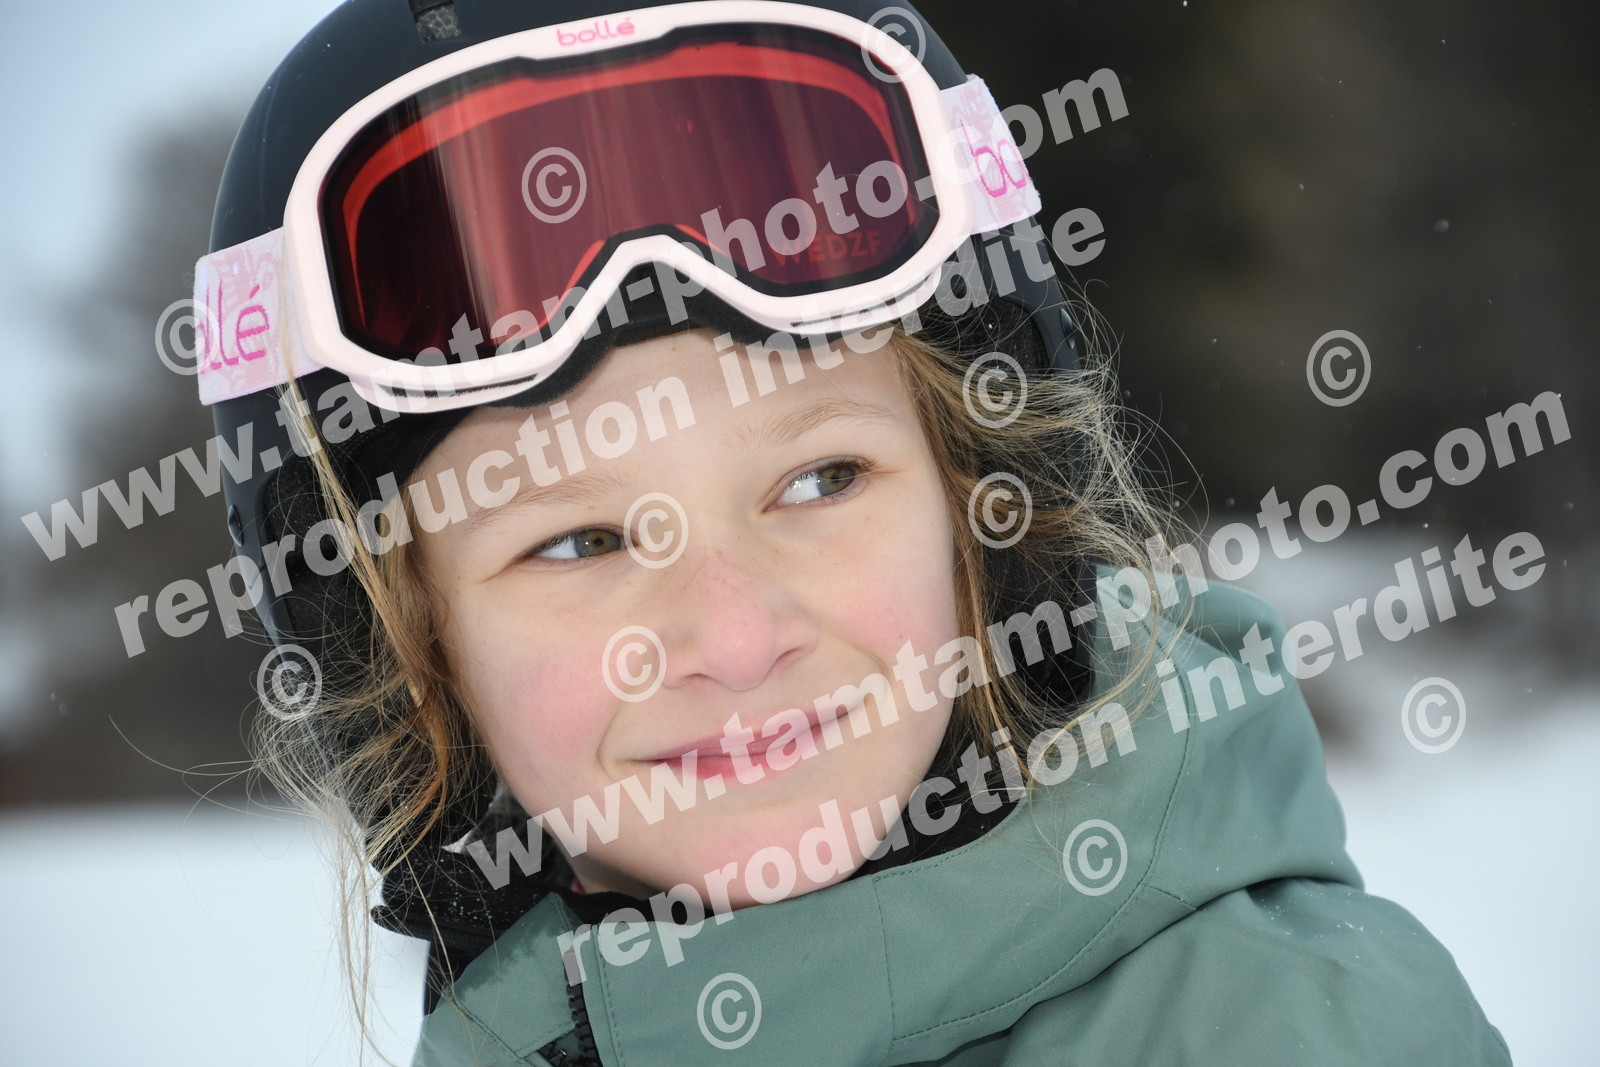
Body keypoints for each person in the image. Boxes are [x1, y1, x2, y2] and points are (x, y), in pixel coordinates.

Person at [192, 0, 1511, 1063]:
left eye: (821, 480)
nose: (735, 637)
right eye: (582, 543)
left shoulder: (1302, 1033)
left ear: (987, 513)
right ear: (413, 651)